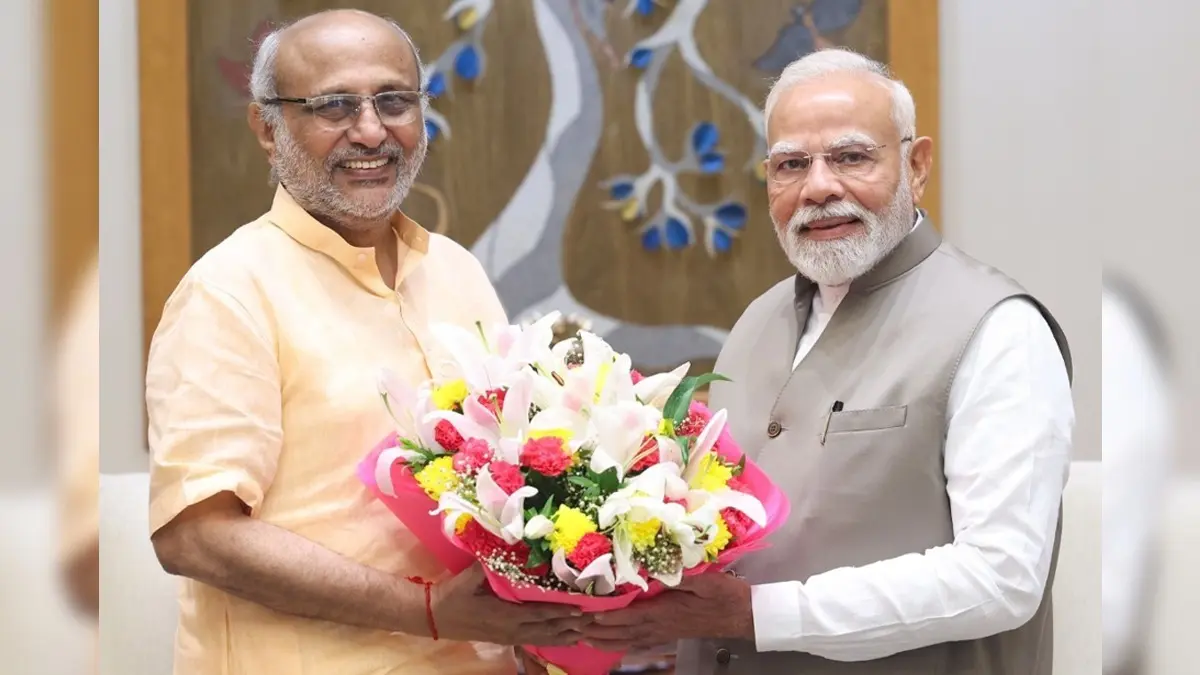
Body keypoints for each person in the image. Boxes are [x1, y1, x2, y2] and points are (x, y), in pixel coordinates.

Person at [576, 48, 1075, 674]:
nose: (818, 187)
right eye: (791, 165)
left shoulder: (999, 329)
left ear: (917, 165)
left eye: (851, 156)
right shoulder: (757, 322)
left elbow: (1003, 575)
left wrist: (755, 615)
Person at [146, 10, 585, 675]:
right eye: (333, 106)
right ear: (267, 128)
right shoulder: (229, 290)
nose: (373, 130)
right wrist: (430, 608)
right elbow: (195, 534)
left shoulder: (455, 270)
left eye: (394, 100)